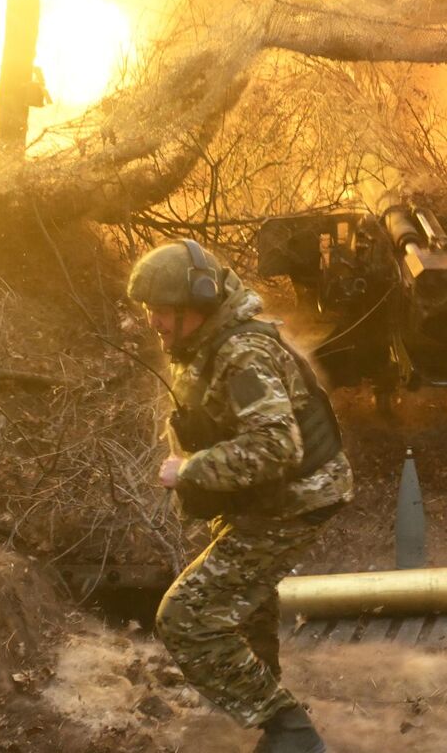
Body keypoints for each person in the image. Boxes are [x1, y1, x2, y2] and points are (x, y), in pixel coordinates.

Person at [127, 238, 353, 753]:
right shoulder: (205, 345)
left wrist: (190, 470)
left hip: (292, 500)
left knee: (185, 617)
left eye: (163, 311)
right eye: (149, 311)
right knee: (245, 607)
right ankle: (278, 726)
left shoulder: (242, 352)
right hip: (264, 499)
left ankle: (291, 733)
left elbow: (277, 446)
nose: (154, 322)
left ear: (199, 304)